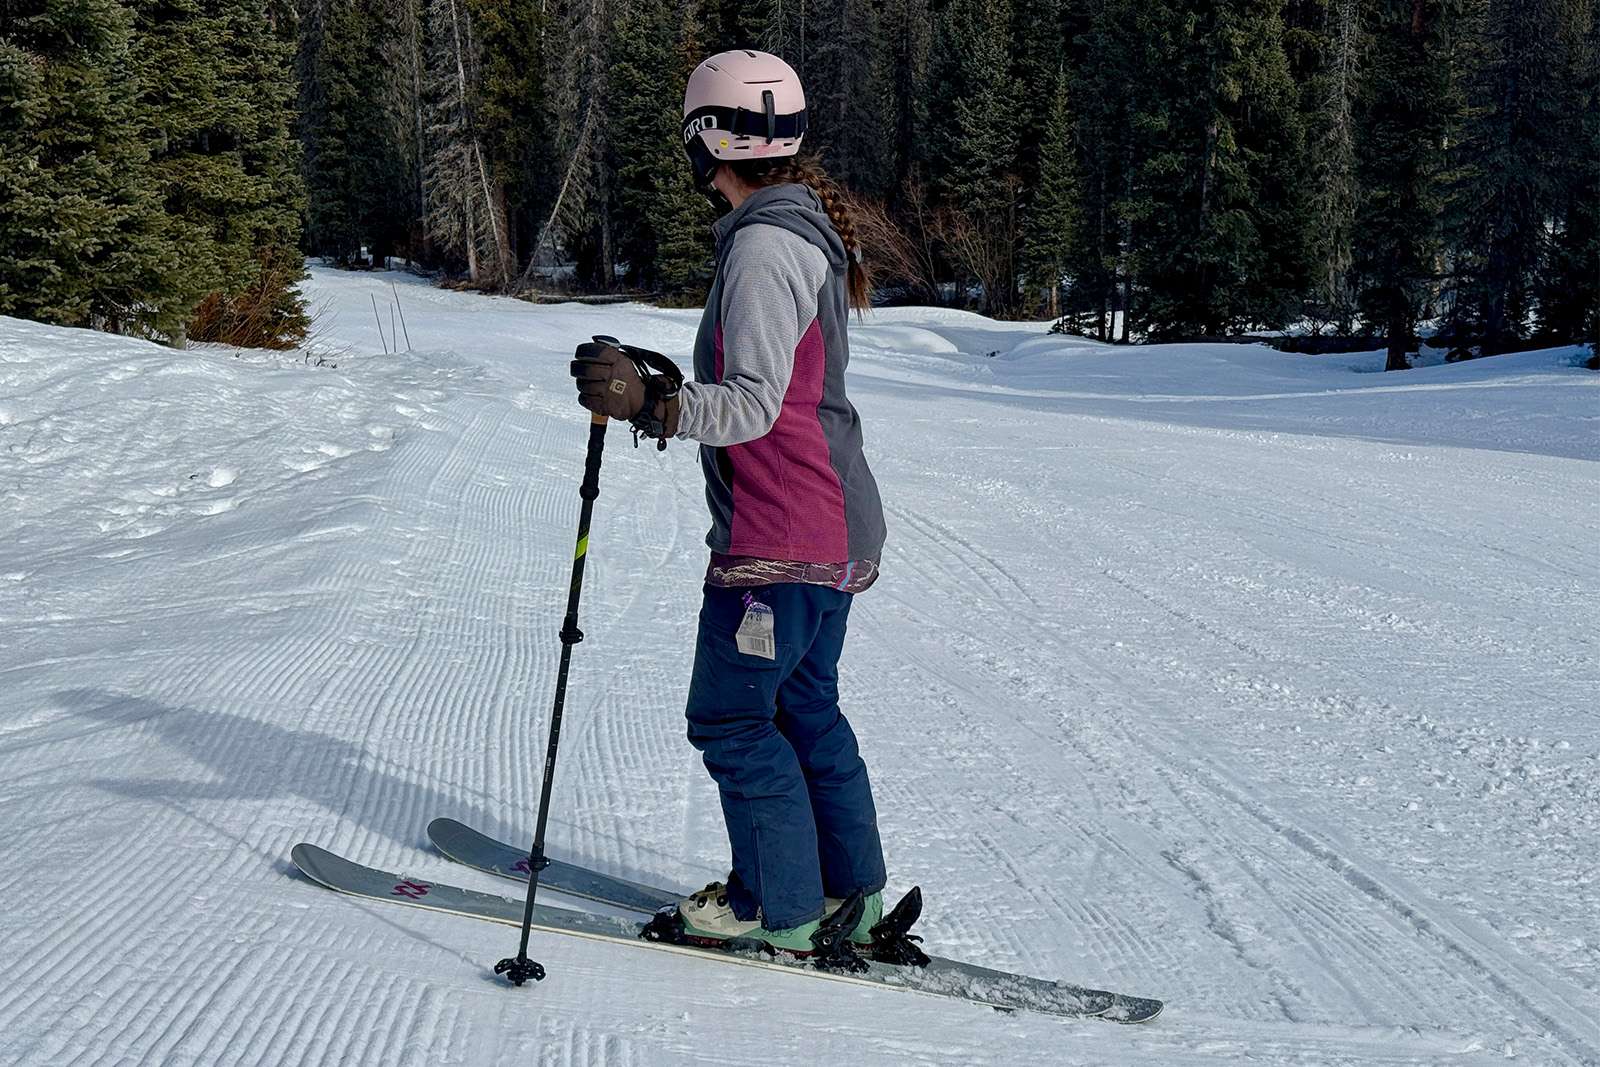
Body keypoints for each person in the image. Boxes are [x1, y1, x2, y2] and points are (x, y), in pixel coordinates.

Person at [569, 49, 889, 957]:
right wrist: (660, 387)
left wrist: (654, 405)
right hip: (831, 523)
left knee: (734, 715)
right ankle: (846, 896)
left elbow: (750, 403)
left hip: (782, 531)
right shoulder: (800, 232)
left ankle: (774, 905)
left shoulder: (762, 244)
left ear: (705, 138)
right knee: (803, 709)